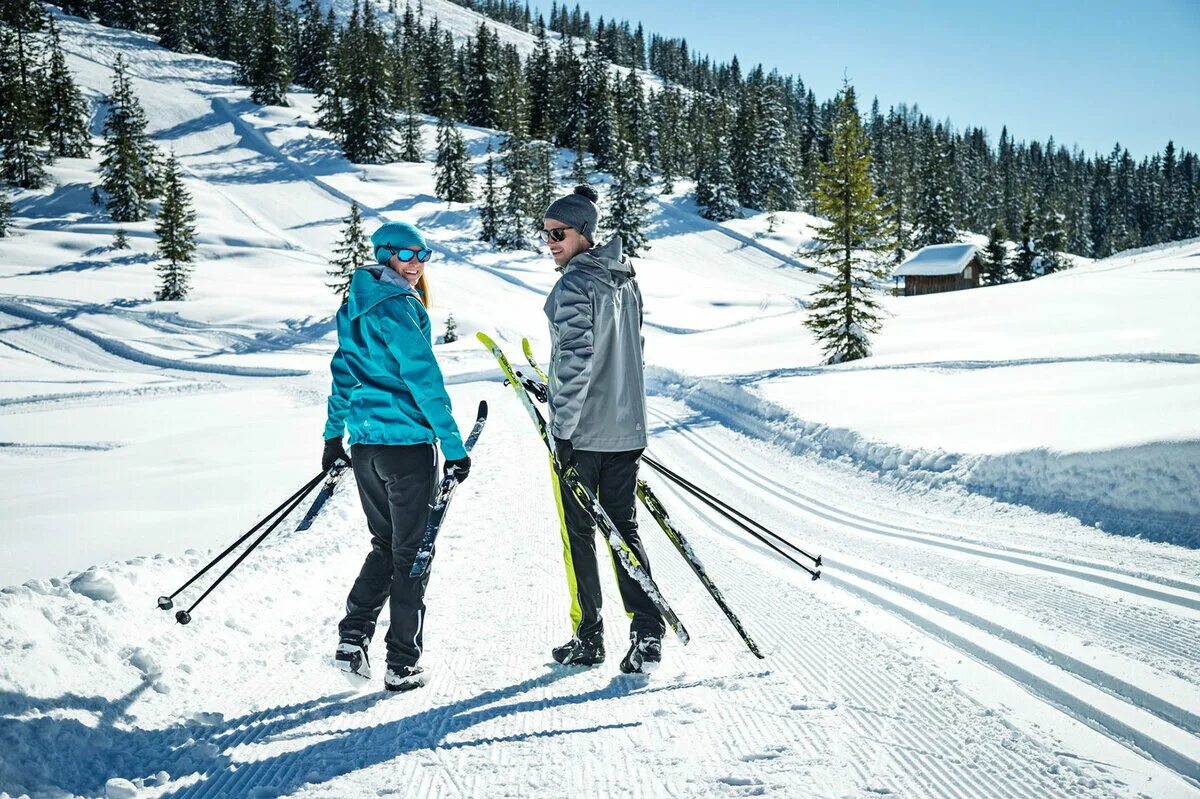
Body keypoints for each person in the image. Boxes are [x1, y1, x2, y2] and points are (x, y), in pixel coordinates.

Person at [322, 220, 471, 692]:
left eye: (422, 255)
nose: (414, 264)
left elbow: (343, 375)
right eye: (405, 253)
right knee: (412, 554)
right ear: (384, 253)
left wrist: (333, 438)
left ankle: (352, 638)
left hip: (367, 448)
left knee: (386, 546)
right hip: (406, 449)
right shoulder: (400, 306)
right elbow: (424, 379)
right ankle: (402, 663)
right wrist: (453, 446)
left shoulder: (354, 305)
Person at [539, 185, 665, 674]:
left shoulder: (574, 285)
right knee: (624, 529)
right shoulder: (625, 278)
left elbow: (575, 361)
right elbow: (630, 351)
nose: (550, 241)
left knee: (581, 534)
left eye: (558, 233)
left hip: (586, 435)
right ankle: (647, 634)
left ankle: (589, 637)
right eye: (545, 234)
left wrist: (562, 431)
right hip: (626, 430)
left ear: (584, 234)